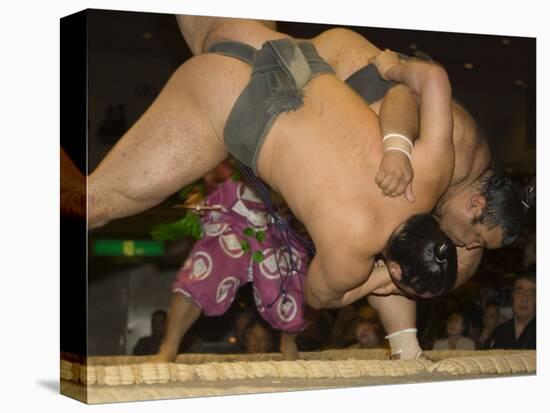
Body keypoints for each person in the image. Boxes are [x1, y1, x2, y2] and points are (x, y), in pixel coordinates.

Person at [86, 16, 532, 359]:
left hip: (294, 62)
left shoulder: (433, 170)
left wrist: (405, 343)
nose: (467, 244)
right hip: (242, 103)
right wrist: (395, 142)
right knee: (90, 206)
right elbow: (322, 295)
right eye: (473, 238)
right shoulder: (440, 160)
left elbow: (432, 78)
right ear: (475, 203)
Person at [152, 174, 456, 362]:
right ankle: (168, 349)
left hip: (286, 220)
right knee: (205, 271)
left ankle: (288, 345)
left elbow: (320, 296)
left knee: (293, 290)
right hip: (236, 204)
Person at [485, 274, 536, 350]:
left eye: (530, 294)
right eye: (519, 292)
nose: (524, 299)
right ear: (512, 296)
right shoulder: (499, 332)